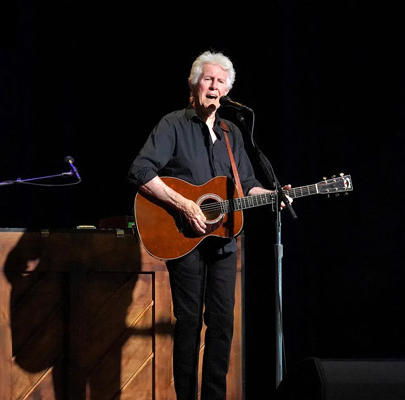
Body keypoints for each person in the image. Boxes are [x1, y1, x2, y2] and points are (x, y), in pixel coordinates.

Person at [128, 50, 288, 400]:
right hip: (182, 236)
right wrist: (185, 204)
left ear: (227, 91)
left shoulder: (232, 133)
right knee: (188, 324)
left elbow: (247, 186)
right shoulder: (173, 124)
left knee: (222, 326)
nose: (213, 87)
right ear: (193, 84)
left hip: (225, 240)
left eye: (220, 82)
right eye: (207, 79)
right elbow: (140, 172)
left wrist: (275, 194)